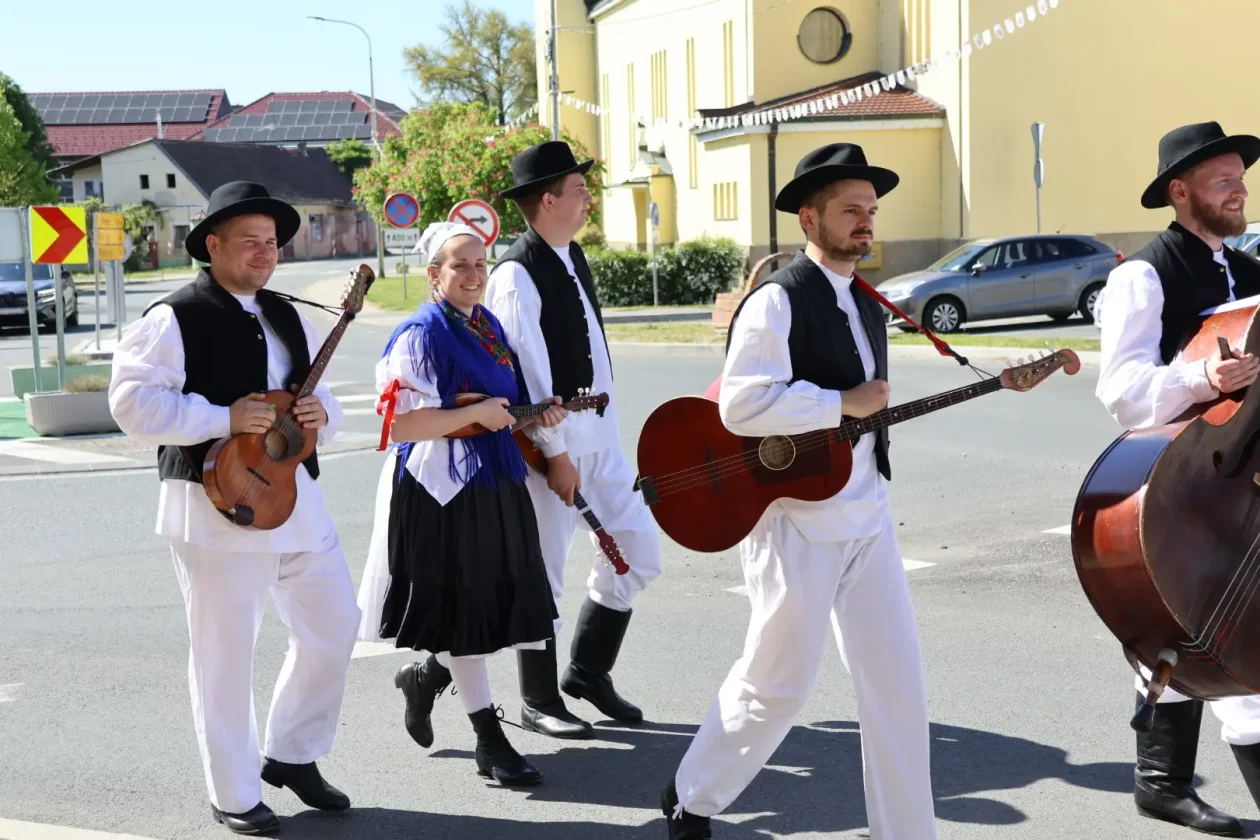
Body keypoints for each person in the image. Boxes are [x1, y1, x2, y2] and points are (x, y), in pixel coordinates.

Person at [660, 143, 937, 839]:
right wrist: (840, 401)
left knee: (899, 692)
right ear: (810, 219)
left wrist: (854, 412)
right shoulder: (777, 300)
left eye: (871, 211)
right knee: (777, 686)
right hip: (795, 523)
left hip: (867, 517)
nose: (866, 224)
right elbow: (742, 406)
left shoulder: (866, 298)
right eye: (851, 211)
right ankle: (691, 796)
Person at [107, 182, 361, 835]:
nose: (264, 253)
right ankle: (234, 792)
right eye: (249, 241)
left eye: (271, 242)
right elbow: (131, 405)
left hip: (296, 499)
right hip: (213, 502)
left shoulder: (286, 312)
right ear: (212, 244)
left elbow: (322, 405)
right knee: (225, 656)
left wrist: (315, 415)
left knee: (336, 624)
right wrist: (220, 417)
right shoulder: (174, 316)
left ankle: (292, 752)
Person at [388, 140, 663, 740]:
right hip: (548, 449)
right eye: (578, 188)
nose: (588, 195)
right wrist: (556, 455)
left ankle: (585, 671)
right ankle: (537, 700)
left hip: (600, 439)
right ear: (548, 198)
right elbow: (528, 374)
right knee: (542, 574)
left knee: (639, 552)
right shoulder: (516, 272)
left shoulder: (571, 256)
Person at [357, 221, 569, 785]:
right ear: (434, 275)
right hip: (440, 490)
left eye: (481, 265)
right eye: (461, 266)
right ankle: (488, 739)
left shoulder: (487, 326)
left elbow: (502, 404)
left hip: (494, 478)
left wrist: (535, 413)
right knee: (463, 615)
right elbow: (400, 425)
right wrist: (476, 415)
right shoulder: (420, 333)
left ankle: (426, 677)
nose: (475, 275)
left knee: (491, 605)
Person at [1095, 121, 1260, 836]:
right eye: (1223, 181)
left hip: (1241, 477)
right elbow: (1123, 393)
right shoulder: (1143, 275)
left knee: (1180, 631)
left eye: (1242, 179)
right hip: (1172, 480)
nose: (1240, 192)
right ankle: (1162, 782)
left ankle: (1160, 783)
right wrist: (1201, 377)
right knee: (1231, 655)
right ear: (1180, 191)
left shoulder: (1251, 274)